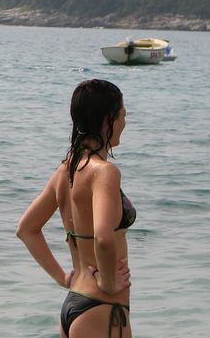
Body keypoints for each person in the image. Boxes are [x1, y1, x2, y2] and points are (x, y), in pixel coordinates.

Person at [17, 79, 134, 338]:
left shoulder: (65, 171)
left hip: (75, 301)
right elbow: (103, 238)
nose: (125, 123)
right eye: (123, 115)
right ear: (109, 120)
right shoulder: (105, 172)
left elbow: (26, 229)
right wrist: (108, 283)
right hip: (102, 308)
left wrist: (62, 278)